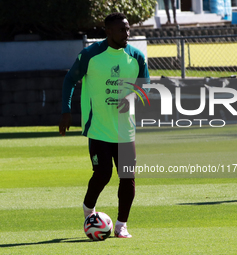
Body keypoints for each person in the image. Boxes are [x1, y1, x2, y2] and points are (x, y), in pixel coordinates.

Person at [59, 12, 150, 238]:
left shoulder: (136, 57)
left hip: (125, 130)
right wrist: (66, 110)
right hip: (98, 128)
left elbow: (145, 88)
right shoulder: (90, 55)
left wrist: (130, 99)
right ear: (108, 31)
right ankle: (89, 209)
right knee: (102, 174)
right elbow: (70, 79)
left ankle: (121, 225)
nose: (127, 34)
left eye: (128, 29)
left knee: (127, 177)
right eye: (122, 30)